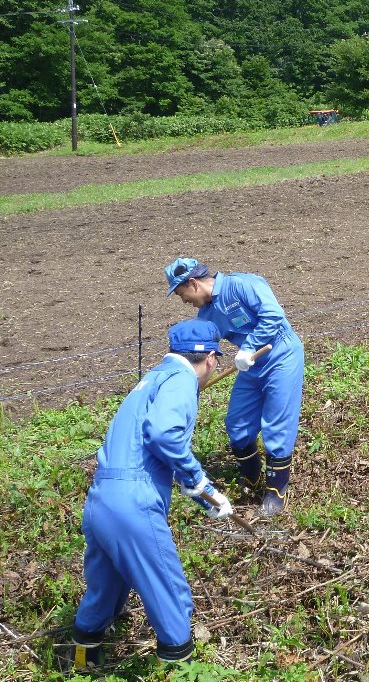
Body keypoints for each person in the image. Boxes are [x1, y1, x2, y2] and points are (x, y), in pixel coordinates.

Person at [70, 319, 231, 671]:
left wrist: (198, 492)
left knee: (107, 587)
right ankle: (176, 672)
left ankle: (80, 664)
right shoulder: (181, 380)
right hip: (133, 502)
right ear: (209, 359)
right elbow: (163, 435)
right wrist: (201, 484)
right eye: (217, 359)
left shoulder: (150, 380)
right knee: (168, 592)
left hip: (101, 499)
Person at [165, 258, 304, 516]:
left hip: (281, 355)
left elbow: (273, 315)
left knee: (276, 423)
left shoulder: (242, 285)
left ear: (193, 283)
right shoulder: (206, 315)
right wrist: (181, 381)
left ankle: (275, 492)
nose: (184, 301)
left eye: (182, 294)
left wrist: (249, 346)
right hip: (251, 364)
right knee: (237, 423)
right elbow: (198, 349)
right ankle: (251, 479)